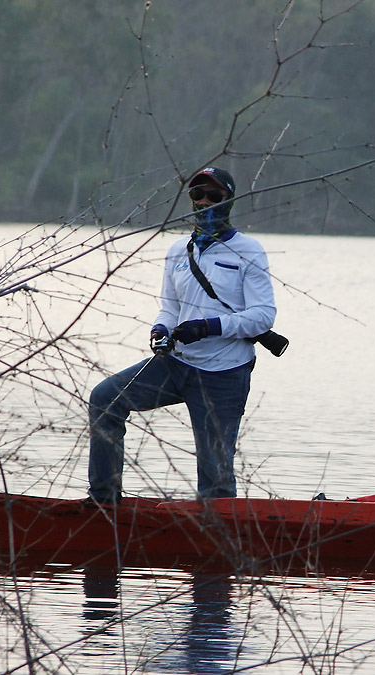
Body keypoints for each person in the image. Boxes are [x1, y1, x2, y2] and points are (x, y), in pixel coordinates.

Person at [87, 167, 277, 504]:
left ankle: (218, 526)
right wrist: (160, 329)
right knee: (105, 400)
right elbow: (170, 308)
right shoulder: (178, 250)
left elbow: (263, 317)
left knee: (215, 483)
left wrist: (209, 326)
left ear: (228, 201)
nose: (204, 202)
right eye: (197, 195)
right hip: (175, 365)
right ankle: (104, 501)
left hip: (224, 374)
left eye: (214, 196)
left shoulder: (249, 250)